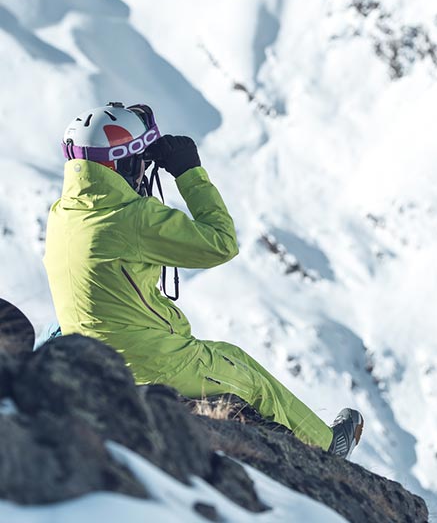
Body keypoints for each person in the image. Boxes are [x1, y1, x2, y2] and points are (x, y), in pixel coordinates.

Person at [43, 102, 364, 458]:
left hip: (89, 355)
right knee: (247, 375)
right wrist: (189, 172)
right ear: (125, 163)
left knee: (223, 355)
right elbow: (221, 244)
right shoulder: (133, 217)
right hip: (152, 364)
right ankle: (327, 448)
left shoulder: (63, 214)